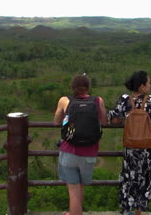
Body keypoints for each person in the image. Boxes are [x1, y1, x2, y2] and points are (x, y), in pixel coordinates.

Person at [109, 71, 151, 215]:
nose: (150, 85)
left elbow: (114, 119)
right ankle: (139, 210)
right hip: (148, 148)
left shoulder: (125, 100)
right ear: (142, 86)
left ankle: (127, 210)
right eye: (148, 83)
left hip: (131, 149)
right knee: (149, 180)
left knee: (129, 180)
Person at [54, 74, 108, 215]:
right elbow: (104, 122)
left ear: (72, 87)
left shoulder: (65, 100)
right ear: (88, 87)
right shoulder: (97, 100)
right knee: (80, 187)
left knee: (73, 191)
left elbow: (56, 121)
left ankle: (74, 213)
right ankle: (74, 212)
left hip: (69, 151)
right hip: (89, 152)